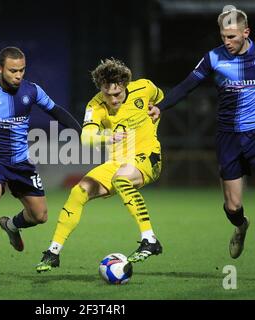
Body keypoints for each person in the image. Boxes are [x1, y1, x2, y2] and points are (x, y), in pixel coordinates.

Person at [151, 8, 255, 275]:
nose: (226, 42)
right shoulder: (213, 58)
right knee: (232, 206)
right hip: (228, 137)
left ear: (246, 32)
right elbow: (187, 85)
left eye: (231, 36)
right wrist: (161, 106)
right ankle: (241, 225)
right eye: (223, 36)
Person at [36, 58, 164, 272]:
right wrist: (107, 136)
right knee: (79, 191)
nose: (112, 99)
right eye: (107, 94)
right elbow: (86, 137)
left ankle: (150, 239)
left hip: (147, 157)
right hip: (115, 163)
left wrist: (158, 109)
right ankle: (53, 252)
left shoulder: (145, 87)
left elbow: (160, 98)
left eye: (117, 94)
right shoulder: (95, 104)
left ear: (125, 85)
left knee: (122, 179)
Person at [0, 47, 82, 269]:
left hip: (22, 163)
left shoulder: (32, 91)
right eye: (13, 70)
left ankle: (11, 225)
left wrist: (80, 131)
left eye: (22, 70)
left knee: (40, 216)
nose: (18, 75)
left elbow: (56, 111)